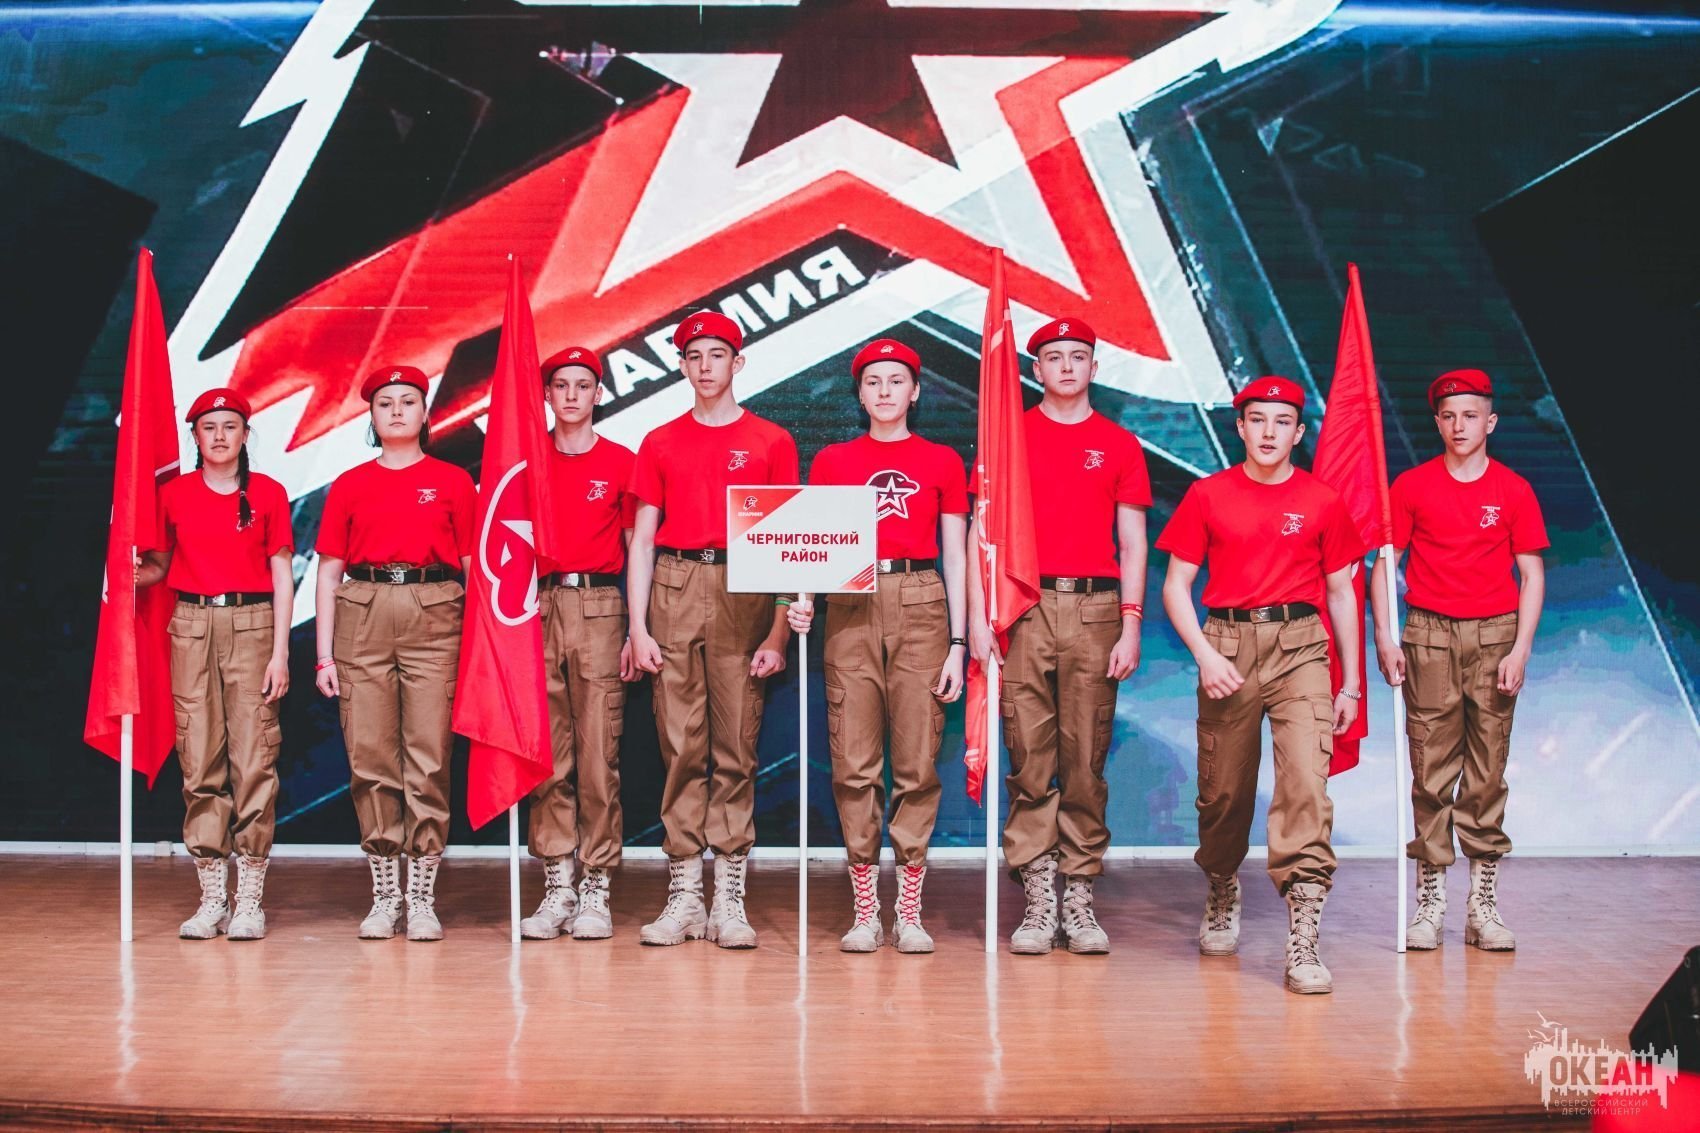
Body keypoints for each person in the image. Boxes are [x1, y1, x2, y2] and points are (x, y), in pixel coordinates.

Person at [1157, 376, 1365, 994]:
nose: (1269, 432)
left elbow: (1341, 593)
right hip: (1227, 645)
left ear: (1299, 433)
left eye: (1282, 422)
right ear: (1240, 427)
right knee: (1224, 793)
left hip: (1301, 647)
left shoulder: (1322, 500)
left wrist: (1351, 682)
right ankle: (1223, 883)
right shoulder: (1208, 494)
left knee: (1306, 786)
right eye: (1258, 420)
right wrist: (1204, 655)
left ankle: (1304, 937)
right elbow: (1176, 586)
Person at [967, 318, 1150, 956]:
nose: (1066, 367)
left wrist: (1131, 622)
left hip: (1096, 610)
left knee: (1085, 761)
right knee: (1029, 758)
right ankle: (1038, 896)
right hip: (1024, 606)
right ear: (1035, 368)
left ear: (1094, 368)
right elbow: (981, 533)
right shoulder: (1008, 439)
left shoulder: (1119, 444)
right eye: (1054, 357)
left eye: (1078, 356)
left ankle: (1079, 895)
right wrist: (979, 619)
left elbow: (1133, 542)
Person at [785, 338, 969, 954]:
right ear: (859, 394)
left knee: (917, 762)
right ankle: (866, 908)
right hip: (851, 600)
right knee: (854, 762)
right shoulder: (834, 460)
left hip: (921, 600)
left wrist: (959, 642)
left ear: (914, 392)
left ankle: (908, 910)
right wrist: (801, 600)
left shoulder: (942, 460)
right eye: (873, 382)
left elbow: (956, 554)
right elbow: (811, 546)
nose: (885, 391)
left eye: (896, 381)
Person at [626, 313, 799, 949]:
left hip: (744, 585)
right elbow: (642, 540)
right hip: (674, 585)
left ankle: (729, 894)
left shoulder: (771, 440)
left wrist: (778, 632)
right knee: (679, 745)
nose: (705, 366)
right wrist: (638, 627)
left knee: (736, 745)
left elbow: (790, 542)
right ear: (681, 366)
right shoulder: (659, 441)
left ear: (738, 363)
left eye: (717, 355)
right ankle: (683, 895)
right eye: (694, 356)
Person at [1371, 368, 1546, 952]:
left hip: (1496, 636)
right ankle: (1430, 903)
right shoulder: (1413, 486)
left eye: (1470, 415)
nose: (1459, 426)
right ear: (1437, 423)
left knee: (1487, 772)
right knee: (1431, 771)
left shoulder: (1513, 490)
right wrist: (1385, 636)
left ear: (1490, 422)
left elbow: (1531, 574)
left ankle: (1482, 905)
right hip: (1428, 635)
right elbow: (1384, 564)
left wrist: (1520, 648)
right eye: (1448, 416)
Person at [313, 366, 475, 942]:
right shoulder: (351, 484)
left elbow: (474, 566)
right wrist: (325, 656)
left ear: (426, 413)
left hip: (436, 612)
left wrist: (482, 646)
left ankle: (422, 895)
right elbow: (328, 570)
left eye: (409, 401)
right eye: (386, 403)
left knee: (428, 755)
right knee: (371, 756)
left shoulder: (453, 481)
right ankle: (386, 894)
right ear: (373, 416)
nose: (398, 410)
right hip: (364, 611)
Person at [136, 388, 294, 940]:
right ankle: (212, 897)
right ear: (196, 436)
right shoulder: (174, 494)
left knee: (253, 760)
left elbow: (282, 576)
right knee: (199, 759)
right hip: (191, 624)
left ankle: (249, 898)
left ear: (246, 435)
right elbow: (157, 566)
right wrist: (122, 572)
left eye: (230, 426)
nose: (220, 436)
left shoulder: (268, 492)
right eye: (209, 427)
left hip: (252, 624)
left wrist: (280, 653)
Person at [520, 346, 638, 942]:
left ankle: (595, 885)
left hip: (599, 606)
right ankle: (557, 883)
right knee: (547, 756)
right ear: (546, 395)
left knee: (598, 756)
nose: (571, 395)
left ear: (598, 394)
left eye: (582, 385)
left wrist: (636, 627)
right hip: (536, 606)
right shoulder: (524, 462)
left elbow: (637, 550)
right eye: (560, 385)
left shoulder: (621, 462)